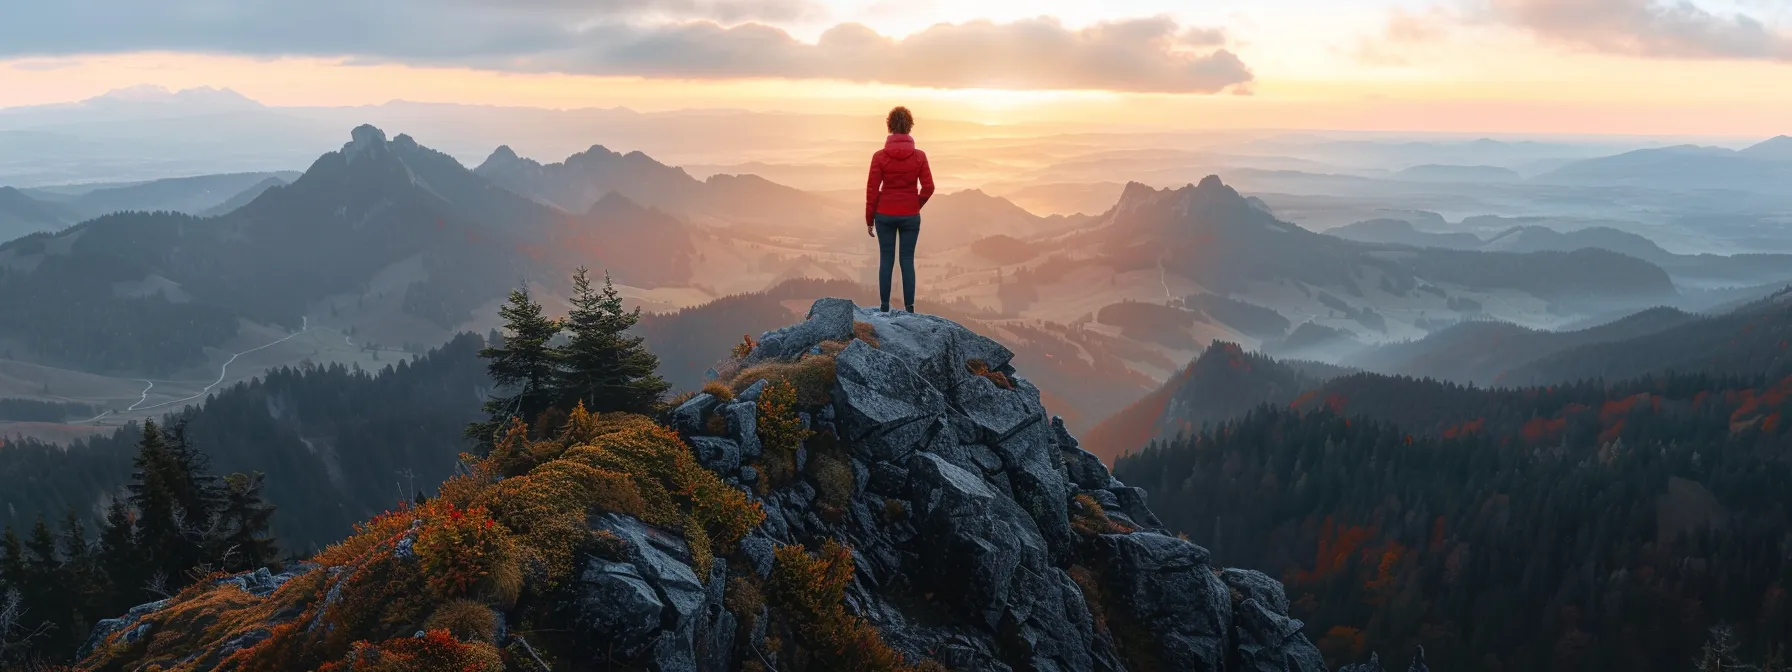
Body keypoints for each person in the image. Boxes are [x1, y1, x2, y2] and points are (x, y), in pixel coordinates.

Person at [865, 106, 934, 313]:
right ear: (910, 126)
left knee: (886, 259)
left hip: (884, 215)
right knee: (907, 260)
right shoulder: (919, 156)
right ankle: (909, 308)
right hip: (910, 216)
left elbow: (872, 190)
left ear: (890, 126)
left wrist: (870, 219)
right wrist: (915, 204)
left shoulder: (879, 156)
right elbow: (929, 187)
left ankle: (884, 307)